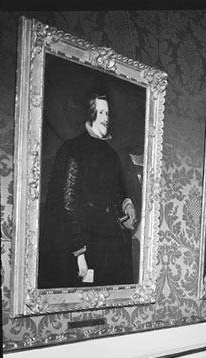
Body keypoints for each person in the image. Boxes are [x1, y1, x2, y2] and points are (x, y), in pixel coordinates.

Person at [38, 92, 140, 288]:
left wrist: (126, 205)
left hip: (108, 243)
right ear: (89, 114)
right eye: (101, 112)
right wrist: (79, 252)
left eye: (107, 113)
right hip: (82, 242)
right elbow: (68, 204)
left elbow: (116, 192)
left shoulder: (111, 154)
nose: (105, 118)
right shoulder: (74, 149)